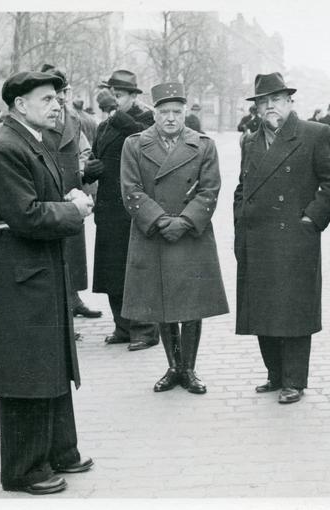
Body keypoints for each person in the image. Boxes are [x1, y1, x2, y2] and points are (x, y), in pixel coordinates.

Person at [0, 71, 95, 495]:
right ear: (19, 104)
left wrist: (66, 201)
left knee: (50, 360)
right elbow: (25, 215)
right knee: (28, 367)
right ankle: (24, 469)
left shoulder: (28, 138)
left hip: (35, 268)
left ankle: (59, 450)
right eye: (46, 99)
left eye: (57, 99)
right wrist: (75, 211)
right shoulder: (6, 146)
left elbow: (36, 201)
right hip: (20, 271)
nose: (56, 105)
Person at [234, 72, 330, 404]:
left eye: (276, 100)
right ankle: (274, 374)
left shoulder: (314, 134)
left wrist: (311, 219)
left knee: (293, 311)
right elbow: (243, 187)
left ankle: (294, 380)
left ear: (290, 102)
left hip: (294, 239)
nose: (269, 107)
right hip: (257, 237)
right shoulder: (250, 141)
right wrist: (239, 223)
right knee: (262, 309)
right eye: (263, 102)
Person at [120, 82, 229, 393]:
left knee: (192, 303)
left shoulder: (203, 145)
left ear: (185, 113)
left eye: (176, 112)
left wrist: (184, 221)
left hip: (191, 232)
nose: (170, 118)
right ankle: (172, 367)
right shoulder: (135, 145)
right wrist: (158, 220)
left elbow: (210, 190)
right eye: (164, 112)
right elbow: (130, 190)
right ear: (154, 113)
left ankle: (190, 369)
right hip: (153, 233)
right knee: (162, 301)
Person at [82, 71, 159, 351]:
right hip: (109, 208)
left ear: (134, 97)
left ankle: (146, 329)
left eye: (120, 96)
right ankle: (122, 326)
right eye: (111, 96)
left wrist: (117, 115)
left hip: (134, 209)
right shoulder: (103, 127)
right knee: (112, 271)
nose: (113, 102)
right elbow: (94, 156)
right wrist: (90, 170)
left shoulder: (147, 121)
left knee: (136, 271)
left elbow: (146, 142)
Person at [40, 65, 101, 326]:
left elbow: (83, 150)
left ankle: (73, 299)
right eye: (54, 92)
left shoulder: (74, 118)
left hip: (73, 188)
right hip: (51, 190)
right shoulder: (40, 118)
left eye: (63, 91)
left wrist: (86, 170)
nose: (61, 98)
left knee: (74, 251)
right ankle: (61, 311)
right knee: (56, 251)